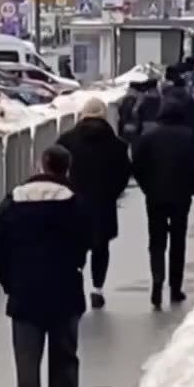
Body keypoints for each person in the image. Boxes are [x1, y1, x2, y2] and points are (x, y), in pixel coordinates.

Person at [0, 145, 91, 387]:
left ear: (41, 166)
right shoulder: (75, 203)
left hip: (25, 295)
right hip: (65, 292)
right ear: (66, 169)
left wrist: (11, 282)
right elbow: (87, 240)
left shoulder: (12, 203)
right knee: (65, 360)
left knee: (27, 365)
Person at [56, 98, 131, 309]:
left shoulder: (67, 140)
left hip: (72, 203)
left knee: (73, 248)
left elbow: (56, 167)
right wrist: (112, 193)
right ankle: (97, 288)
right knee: (101, 247)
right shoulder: (116, 144)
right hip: (103, 203)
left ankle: (73, 287)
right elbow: (124, 174)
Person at [132, 100, 194, 309]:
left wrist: (147, 186)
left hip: (155, 196)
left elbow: (137, 165)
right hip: (181, 196)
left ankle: (157, 279)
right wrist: (192, 187)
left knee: (156, 241)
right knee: (178, 241)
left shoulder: (149, 136)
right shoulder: (189, 137)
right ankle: (175, 287)